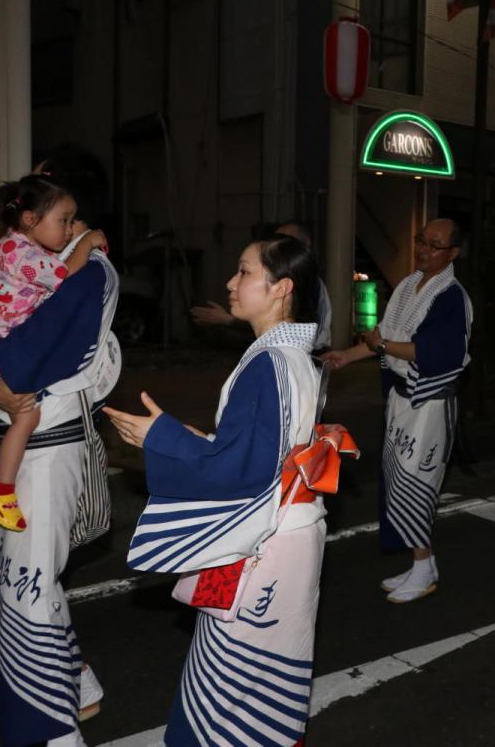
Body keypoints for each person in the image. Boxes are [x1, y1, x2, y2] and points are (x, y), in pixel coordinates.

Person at [107, 236, 332, 746]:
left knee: (230, 701)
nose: (231, 283)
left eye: (244, 272)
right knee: (256, 690)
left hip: (267, 543)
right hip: (284, 531)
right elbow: (264, 452)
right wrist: (189, 437)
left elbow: (245, 470)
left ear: (282, 288)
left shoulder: (272, 362)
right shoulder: (292, 356)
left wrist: (161, 439)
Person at [0, 202, 119, 747]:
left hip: (41, 455)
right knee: (20, 583)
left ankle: (53, 733)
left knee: (23, 593)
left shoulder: (87, 270)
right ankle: (78, 687)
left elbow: (4, 363)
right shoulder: (35, 263)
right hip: (16, 452)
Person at [0, 177, 106, 532]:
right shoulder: (24, 255)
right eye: (64, 220)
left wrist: (73, 238)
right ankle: (2, 491)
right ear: (29, 220)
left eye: (72, 222)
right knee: (26, 416)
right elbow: (66, 274)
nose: (69, 228)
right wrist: (86, 242)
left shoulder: (10, 247)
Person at [321, 218, 472, 603]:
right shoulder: (407, 285)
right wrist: (347, 357)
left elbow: (434, 352)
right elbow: (382, 340)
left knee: (417, 484)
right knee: (397, 480)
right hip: (403, 399)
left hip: (430, 402)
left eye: (434, 244)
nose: (423, 248)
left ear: (452, 253)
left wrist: (383, 345)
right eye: (422, 240)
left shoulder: (451, 296)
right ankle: (422, 564)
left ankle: (423, 566)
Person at [191, 221, 332, 352]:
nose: (230, 284)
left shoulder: (276, 359)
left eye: (245, 272)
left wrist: (227, 320)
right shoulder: (274, 351)